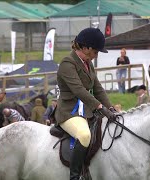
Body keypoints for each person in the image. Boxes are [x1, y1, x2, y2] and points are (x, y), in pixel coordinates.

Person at [53, 27, 117, 180]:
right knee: (84, 135)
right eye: (95, 51)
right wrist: (100, 107)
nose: (96, 55)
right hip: (69, 112)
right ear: (86, 48)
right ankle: (75, 176)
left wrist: (111, 107)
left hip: (86, 111)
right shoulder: (67, 63)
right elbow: (79, 90)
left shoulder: (88, 63)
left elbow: (98, 89)